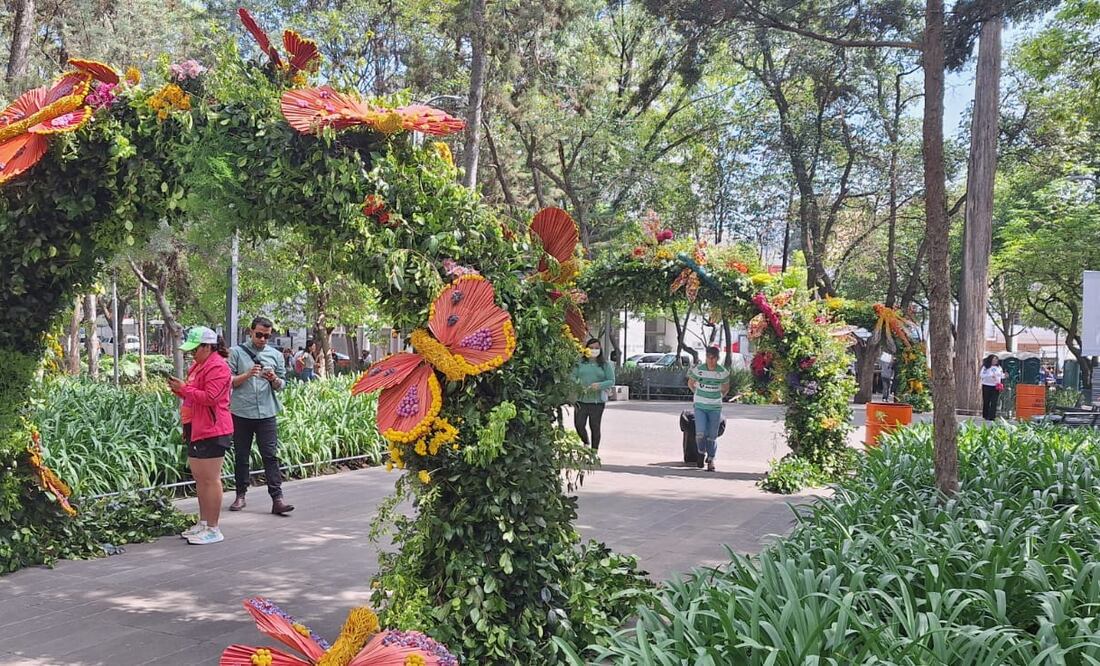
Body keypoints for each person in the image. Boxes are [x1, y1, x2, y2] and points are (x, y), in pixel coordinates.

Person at [169, 327, 233, 545]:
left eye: (195, 349)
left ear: (207, 346)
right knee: (200, 479)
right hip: (196, 426)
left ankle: (214, 527)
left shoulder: (218, 367)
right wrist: (180, 389)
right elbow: (195, 393)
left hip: (213, 429)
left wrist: (184, 389)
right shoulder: (199, 365)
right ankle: (204, 523)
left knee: (210, 479)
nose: (192, 354)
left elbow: (211, 397)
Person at [228, 317, 294, 515]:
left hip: (267, 412)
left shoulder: (275, 355)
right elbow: (228, 381)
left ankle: (277, 499)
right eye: (259, 335)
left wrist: (274, 379)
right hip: (241, 412)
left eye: (267, 335)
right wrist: (247, 374)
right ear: (251, 332)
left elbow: (283, 385)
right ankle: (240, 495)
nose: (263, 339)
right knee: (241, 455)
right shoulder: (237, 352)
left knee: (270, 456)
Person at [687, 346, 730, 472]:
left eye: (713, 358)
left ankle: (711, 459)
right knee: (700, 433)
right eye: (708, 358)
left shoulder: (722, 372)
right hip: (700, 405)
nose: (710, 361)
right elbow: (690, 383)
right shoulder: (698, 370)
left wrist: (719, 396)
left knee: (712, 435)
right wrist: (697, 393)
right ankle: (701, 451)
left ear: (717, 358)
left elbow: (726, 388)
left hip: (715, 407)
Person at [573, 338, 616, 451]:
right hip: (581, 400)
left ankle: (594, 451)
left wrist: (600, 385)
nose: (594, 350)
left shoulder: (604, 365)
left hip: (597, 402)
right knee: (579, 424)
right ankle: (586, 442)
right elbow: (572, 377)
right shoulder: (580, 363)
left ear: (600, 349)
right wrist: (578, 385)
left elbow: (611, 380)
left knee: (595, 427)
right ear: (586, 349)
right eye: (591, 348)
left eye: (596, 348)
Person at [980, 354, 1006, 421]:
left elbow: (1000, 375)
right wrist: (990, 375)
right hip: (987, 385)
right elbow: (982, 375)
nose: (995, 361)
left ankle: (992, 416)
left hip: (995, 386)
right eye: (993, 359)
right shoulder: (986, 367)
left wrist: (1004, 375)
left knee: (994, 401)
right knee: (986, 401)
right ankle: (986, 415)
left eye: (996, 360)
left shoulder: (999, 367)